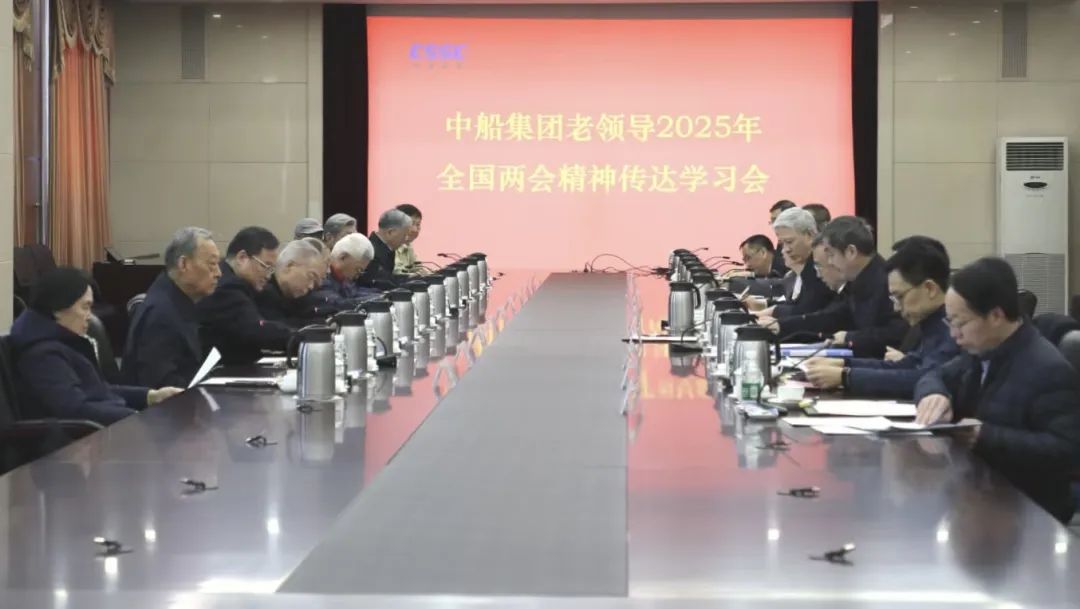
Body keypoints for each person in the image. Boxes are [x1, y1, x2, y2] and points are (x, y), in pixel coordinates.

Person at [914, 257, 1080, 523]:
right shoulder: (981, 351)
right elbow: (934, 375)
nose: (954, 334)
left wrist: (985, 436)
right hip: (977, 490)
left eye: (960, 323)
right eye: (949, 322)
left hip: (1027, 510)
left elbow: (1066, 451)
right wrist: (933, 394)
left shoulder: (1048, 370)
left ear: (995, 316)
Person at [11, 268, 182, 425]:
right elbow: (75, 410)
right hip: (80, 441)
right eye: (85, 307)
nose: (89, 316)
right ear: (58, 308)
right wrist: (136, 418)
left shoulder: (62, 341)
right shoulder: (43, 355)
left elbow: (99, 391)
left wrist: (152, 396)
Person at [805, 241, 960, 399]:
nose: (896, 308)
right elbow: (909, 364)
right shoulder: (931, 323)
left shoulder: (953, 327)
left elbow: (924, 377)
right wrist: (844, 364)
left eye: (900, 297)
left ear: (930, 289)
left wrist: (846, 376)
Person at [766, 216, 906, 356]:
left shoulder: (886, 282)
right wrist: (782, 326)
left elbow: (897, 334)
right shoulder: (859, 280)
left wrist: (850, 338)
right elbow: (833, 316)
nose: (830, 262)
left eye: (831, 255)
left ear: (851, 252)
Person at [123, 227, 221, 388]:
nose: (218, 273)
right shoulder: (161, 314)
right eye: (212, 264)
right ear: (183, 264)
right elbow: (163, 386)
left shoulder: (176, 298)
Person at [198, 227, 293, 365]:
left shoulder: (242, 285)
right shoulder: (226, 288)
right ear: (242, 258)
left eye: (271, 269)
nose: (268, 275)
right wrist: (301, 338)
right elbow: (257, 329)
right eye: (265, 266)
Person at [756, 208, 832, 318]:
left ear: (809, 235)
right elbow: (795, 304)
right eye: (782, 243)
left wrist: (774, 314)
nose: (785, 249)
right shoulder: (802, 264)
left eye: (789, 242)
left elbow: (808, 310)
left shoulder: (821, 265)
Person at [256, 240, 331, 326]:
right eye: (310, 277)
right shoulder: (261, 293)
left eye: (315, 283)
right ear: (290, 265)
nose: (311, 286)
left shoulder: (297, 297)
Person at [310, 233, 380, 308]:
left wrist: (381, 296)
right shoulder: (321, 276)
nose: (357, 276)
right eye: (358, 269)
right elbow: (337, 304)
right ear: (343, 257)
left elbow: (354, 293)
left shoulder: (341, 276)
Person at [358, 209, 413, 288]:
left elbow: (389, 277)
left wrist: (410, 277)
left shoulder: (387, 248)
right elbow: (382, 284)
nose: (406, 239)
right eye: (404, 235)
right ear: (390, 232)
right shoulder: (371, 252)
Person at [394, 203, 426, 275]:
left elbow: (418, 268)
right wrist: (418, 275)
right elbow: (398, 273)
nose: (415, 229)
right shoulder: (390, 245)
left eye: (418, 225)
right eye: (412, 224)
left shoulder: (407, 245)